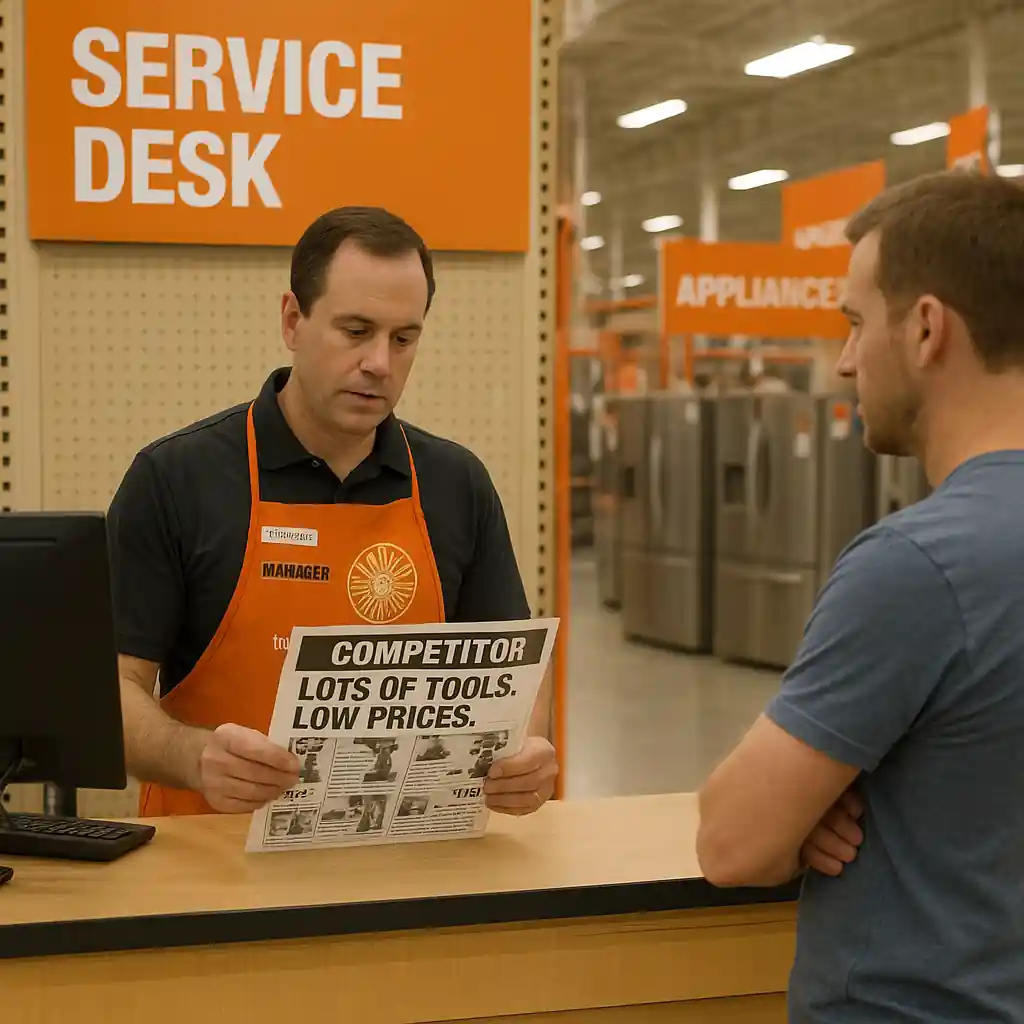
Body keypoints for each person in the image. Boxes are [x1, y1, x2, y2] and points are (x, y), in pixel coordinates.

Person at [696, 170, 1024, 1022]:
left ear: (925, 329)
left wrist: (810, 803)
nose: (844, 361)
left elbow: (734, 841)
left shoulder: (917, 565)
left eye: (852, 323)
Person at [107, 206, 558, 818]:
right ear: (293, 320)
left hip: (404, 866)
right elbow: (112, 690)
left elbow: (514, 669)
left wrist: (527, 752)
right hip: (209, 869)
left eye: (404, 338)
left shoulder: (457, 485)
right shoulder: (175, 480)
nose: (380, 362)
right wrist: (193, 755)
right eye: (355, 330)